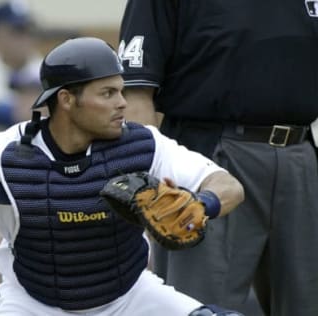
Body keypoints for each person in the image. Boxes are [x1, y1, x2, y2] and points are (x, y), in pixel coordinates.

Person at [0, 37, 244, 316]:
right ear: (67, 99)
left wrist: (203, 203)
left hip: (129, 298)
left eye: (121, 91)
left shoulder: (140, 143)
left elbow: (229, 186)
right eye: (107, 93)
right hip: (35, 304)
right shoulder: (4, 153)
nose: (122, 104)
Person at [118, 1, 318, 316]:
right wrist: (147, 184)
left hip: (301, 153)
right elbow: (136, 93)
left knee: (308, 303)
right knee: (201, 305)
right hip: (210, 156)